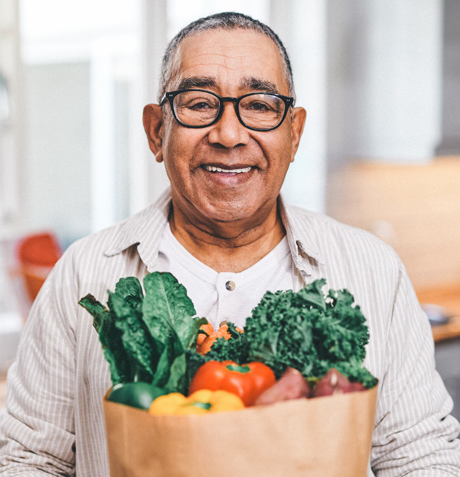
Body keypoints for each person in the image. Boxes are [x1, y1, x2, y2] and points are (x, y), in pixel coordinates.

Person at [1, 11, 459, 476]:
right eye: (199, 103)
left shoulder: (374, 270)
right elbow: (28, 460)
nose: (229, 134)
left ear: (294, 132)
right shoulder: (83, 275)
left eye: (260, 105)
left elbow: (419, 456)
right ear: (157, 131)